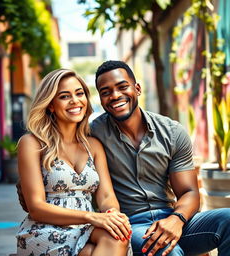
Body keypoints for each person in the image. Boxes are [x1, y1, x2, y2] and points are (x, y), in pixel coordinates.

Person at [90, 60, 230, 256]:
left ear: (137, 88)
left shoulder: (172, 132)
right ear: (100, 98)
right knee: (166, 251)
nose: (115, 96)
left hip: (172, 216)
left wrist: (176, 219)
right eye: (106, 92)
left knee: (228, 219)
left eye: (122, 87)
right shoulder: (92, 134)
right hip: (131, 225)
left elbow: (189, 191)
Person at [16, 68, 132, 256]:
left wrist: (112, 215)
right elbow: (36, 208)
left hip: (88, 227)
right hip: (46, 229)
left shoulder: (93, 145)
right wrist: (91, 216)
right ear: (51, 105)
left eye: (80, 94)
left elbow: (106, 197)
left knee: (118, 234)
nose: (75, 101)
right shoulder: (32, 143)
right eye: (64, 96)